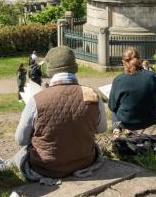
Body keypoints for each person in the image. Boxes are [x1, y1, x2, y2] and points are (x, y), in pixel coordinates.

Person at [12, 46, 107, 182]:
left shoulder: (37, 99)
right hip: (85, 162)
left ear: (50, 69)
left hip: (47, 168)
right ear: (74, 66)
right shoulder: (92, 95)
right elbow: (101, 128)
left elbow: (21, 140)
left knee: (18, 157)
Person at [108, 48, 156, 133]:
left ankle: (117, 130)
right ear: (139, 60)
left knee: (115, 110)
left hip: (126, 122)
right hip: (149, 120)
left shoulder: (118, 80)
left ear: (123, 62)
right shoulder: (152, 76)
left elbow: (112, 106)